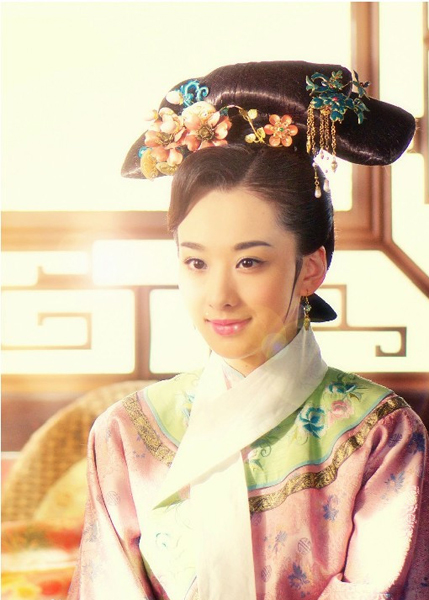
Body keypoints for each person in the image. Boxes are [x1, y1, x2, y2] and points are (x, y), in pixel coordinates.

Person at [68, 61, 428, 600]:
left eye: (249, 262)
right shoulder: (126, 433)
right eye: (196, 263)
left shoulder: (379, 435)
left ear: (310, 268)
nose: (219, 296)